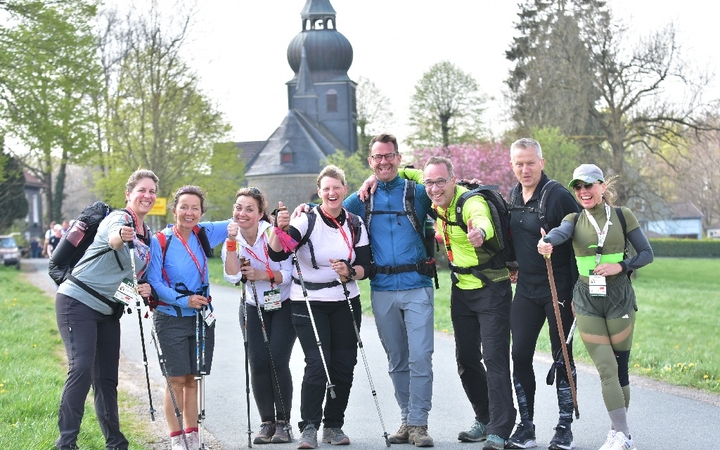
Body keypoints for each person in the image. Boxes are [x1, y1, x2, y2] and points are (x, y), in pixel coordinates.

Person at [537, 164, 653, 450]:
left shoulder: (623, 216)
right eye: (578, 187)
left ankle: (618, 433)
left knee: (620, 368)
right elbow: (561, 232)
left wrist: (621, 266)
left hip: (619, 297)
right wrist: (547, 240)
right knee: (605, 368)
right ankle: (624, 435)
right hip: (586, 300)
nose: (583, 191)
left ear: (602, 186)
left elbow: (647, 253)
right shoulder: (574, 219)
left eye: (589, 185)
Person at [268, 165, 372, 450]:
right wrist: (281, 228)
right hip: (309, 301)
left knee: (344, 365)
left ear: (344, 189)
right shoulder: (306, 220)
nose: (331, 192)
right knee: (318, 364)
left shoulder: (355, 223)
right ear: (319, 191)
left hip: (346, 300)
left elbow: (367, 266)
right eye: (326, 188)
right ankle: (309, 427)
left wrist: (350, 272)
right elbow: (279, 251)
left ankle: (333, 426)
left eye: (336, 187)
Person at [343, 133, 436, 447]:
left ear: (398, 157)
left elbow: (447, 191)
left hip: (417, 286)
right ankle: (407, 419)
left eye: (389, 156)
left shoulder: (418, 192)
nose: (383, 161)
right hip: (381, 288)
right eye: (377, 157)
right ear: (371, 161)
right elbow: (329, 213)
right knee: (397, 358)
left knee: (420, 357)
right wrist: (301, 212)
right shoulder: (360, 199)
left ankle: (420, 425)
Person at [54, 169, 157, 450]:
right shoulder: (119, 219)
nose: (147, 196)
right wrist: (121, 237)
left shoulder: (148, 237)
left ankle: (116, 443)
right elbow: (113, 239)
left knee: (107, 378)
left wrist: (142, 289)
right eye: (141, 190)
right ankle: (66, 443)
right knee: (82, 369)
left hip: (108, 311)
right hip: (77, 302)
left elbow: (127, 279)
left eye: (151, 191)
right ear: (129, 194)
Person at [423, 156, 516, 450]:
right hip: (461, 290)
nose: (434, 188)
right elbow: (406, 172)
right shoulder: (435, 200)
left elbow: (482, 220)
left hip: (493, 289)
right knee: (466, 358)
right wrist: (372, 179)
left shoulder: (470, 202)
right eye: (430, 182)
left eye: (440, 181)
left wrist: (480, 232)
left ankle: (500, 428)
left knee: (495, 359)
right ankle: (484, 417)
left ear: (453, 180)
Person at [506, 138, 581, 450]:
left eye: (530, 163)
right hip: (526, 289)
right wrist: (514, 263)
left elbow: (580, 237)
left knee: (561, 356)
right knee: (520, 354)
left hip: (558, 287)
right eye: (519, 164)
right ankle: (527, 427)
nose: (525, 169)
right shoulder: (514, 194)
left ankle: (564, 427)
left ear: (542, 162)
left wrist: (579, 291)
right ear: (512, 165)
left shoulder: (559, 195)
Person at [145, 185, 230, 450]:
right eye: (184, 207)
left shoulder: (204, 233)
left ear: (202, 212)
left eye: (195, 208)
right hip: (170, 317)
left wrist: (285, 215)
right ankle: (176, 438)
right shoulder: (160, 240)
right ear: (174, 210)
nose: (189, 212)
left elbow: (243, 216)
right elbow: (155, 282)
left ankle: (192, 435)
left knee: (194, 378)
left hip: (200, 317)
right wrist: (184, 300)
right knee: (175, 380)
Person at [223, 187, 295, 444]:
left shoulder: (272, 234)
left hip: (283, 303)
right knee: (258, 363)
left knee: (277, 359)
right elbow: (231, 275)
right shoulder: (232, 238)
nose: (242, 213)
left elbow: (289, 274)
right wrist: (232, 243)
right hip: (253, 305)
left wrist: (262, 274)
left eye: (249, 209)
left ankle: (283, 423)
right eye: (238, 207)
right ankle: (266, 423)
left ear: (261, 213)